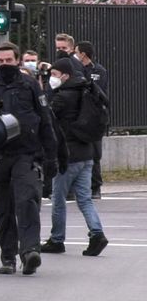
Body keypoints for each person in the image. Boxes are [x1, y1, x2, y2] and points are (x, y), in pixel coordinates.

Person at [0, 42, 57, 276]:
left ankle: (29, 252)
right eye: (1, 61)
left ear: (17, 61)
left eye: (9, 60)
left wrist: (52, 156)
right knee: (3, 209)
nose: (5, 64)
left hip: (26, 153)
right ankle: (8, 257)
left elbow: (45, 120)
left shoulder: (30, 85)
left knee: (27, 202)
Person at [41, 59, 108, 256]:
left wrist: (47, 90)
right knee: (85, 199)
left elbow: (47, 115)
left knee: (58, 198)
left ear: (65, 75)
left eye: (54, 74)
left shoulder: (63, 97)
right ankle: (97, 233)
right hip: (87, 153)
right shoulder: (86, 89)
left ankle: (57, 239)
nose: (52, 78)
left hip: (67, 155)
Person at [73, 41, 108, 199]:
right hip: (78, 116)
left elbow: (98, 92)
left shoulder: (98, 70)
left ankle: (96, 187)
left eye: (76, 52)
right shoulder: (76, 69)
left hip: (94, 117)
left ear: (83, 54)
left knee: (95, 154)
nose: (75, 55)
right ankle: (77, 187)